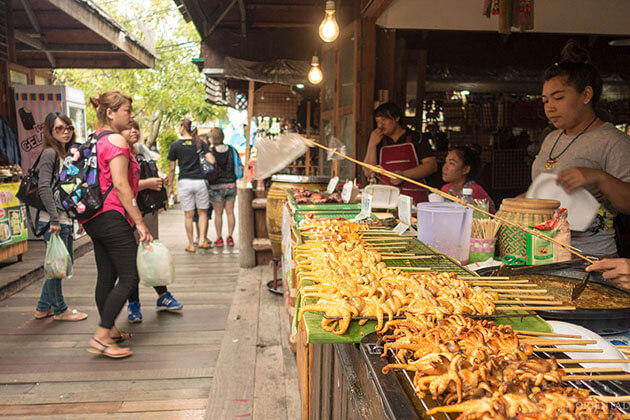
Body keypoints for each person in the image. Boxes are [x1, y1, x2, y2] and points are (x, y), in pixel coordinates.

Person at [531, 40, 630, 256]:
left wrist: (600, 177)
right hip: (543, 253)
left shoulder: (613, 141)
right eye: (545, 100)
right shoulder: (551, 138)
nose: (550, 107)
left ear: (586, 95)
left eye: (558, 98)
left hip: (591, 257)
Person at [81, 89, 152, 359]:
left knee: (107, 276)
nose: (131, 116)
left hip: (93, 216)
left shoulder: (95, 138)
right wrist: (140, 222)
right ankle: (101, 336)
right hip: (112, 215)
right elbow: (122, 186)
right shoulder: (116, 141)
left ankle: (109, 330)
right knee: (129, 276)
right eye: (126, 111)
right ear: (110, 113)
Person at [121, 121, 182, 323]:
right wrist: (147, 183)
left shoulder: (142, 149)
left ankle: (163, 296)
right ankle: (134, 304)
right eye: (129, 128)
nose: (134, 131)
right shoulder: (119, 151)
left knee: (150, 252)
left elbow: (151, 169)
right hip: (128, 212)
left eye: (136, 128)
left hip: (148, 209)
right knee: (130, 260)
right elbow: (119, 185)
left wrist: (160, 176)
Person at [33, 112, 88, 322]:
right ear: (50, 131)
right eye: (59, 129)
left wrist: (78, 217)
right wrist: (55, 220)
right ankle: (60, 310)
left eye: (68, 128)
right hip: (52, 220)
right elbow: (44, 187)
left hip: (64, 218)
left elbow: (70, 189)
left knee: (61, 264)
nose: (65, 132)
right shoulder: (50, 153)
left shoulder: (68, 154)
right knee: (59, 266)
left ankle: (42, 307)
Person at [363, 102, 437, 204]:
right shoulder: (379, 141)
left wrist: (403, 175)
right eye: (377, 122)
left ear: (396, 118)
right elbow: (368, 172)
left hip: (414, 199)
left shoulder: (416, 138)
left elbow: (431, 165)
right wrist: (371, 144)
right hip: (386, 201)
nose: (380, 125)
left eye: (384, 120)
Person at [167, 119, 213, 253]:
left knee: (188, 215)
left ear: (182, 128)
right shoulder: (199, 143)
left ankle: (191, 245)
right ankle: (202, 240)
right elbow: (212, 160)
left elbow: (171, 169)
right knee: (202, 212)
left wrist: (170, 187)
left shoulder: (175, 145)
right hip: (199, 181)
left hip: (184, 182)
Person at [441, 146, 496, 213]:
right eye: (445, 162)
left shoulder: (474, 191)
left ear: (465, 169)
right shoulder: (445, 189)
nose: (445, 167)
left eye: (451, 163)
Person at [206, 127, 236, 247]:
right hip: (231, 184)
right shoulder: (231, 150)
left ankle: (219, 238)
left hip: (216, 186)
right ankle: (230, 237)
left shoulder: (211, 152)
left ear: (214, 138)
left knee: (218, 214)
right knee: (230, 212)